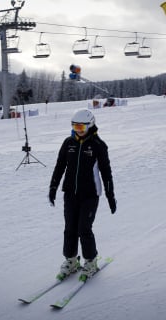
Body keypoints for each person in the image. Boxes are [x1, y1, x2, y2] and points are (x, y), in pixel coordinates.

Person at [49, 108, 117, 280]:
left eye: (81, 127)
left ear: (90, 125)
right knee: (70, 228)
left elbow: (106, 173)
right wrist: (53, 188)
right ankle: (71, 261)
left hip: (90, 194)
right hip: (70, 193)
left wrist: (110, 196)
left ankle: (91, 261)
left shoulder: (98, 146)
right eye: (74, 127)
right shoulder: (68, 143)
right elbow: (59, 167)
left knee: (84, 229)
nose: (77, 130)